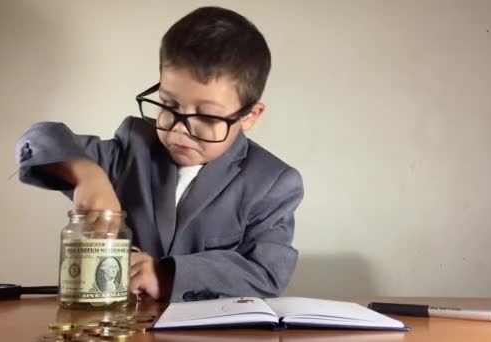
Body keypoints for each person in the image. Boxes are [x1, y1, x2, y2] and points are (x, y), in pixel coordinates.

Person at [16, 6, 304, 302]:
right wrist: (84, 173)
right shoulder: (133, 146)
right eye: (169, 105)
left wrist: (167, 275)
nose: (181, 130)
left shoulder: (273, 182)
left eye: (207, 117)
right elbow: (39, 139)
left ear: (250, 116)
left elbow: (267, 274)